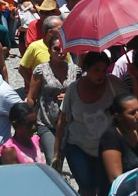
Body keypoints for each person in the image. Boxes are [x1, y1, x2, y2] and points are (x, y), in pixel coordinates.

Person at [55, 52, 129, 196]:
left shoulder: (115, 85)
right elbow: (62, 121)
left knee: (105, 189)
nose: (101, 74)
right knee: (87, 188)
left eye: (104, 70)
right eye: (96, 70)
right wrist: (57, 153)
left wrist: (133, 77)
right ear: (86, 69)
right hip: (78, 147)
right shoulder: (73, 89)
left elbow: (133, 105)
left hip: (107, 149)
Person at [26, 33, 80, 163]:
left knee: (71, 159)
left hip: (70, 123)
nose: (61, 52)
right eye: (56, 49)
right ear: (49, 50)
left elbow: (81, 95)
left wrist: (69, 97)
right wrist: (29, 121)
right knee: (53, 159)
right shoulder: (41, 70)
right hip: (46, 122)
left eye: (63, 48)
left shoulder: (75, 70)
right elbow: (31, 97)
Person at [100, 94, 138, 194]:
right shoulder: (111, 137)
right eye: (132, 113)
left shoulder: (136, 131)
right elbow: (116, 180)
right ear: (118, 116)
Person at [19, 16, 63, 88]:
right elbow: (22, 69)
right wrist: (33, 86)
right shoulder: (34, 47)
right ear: (50, 32)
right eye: (60, 29)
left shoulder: (63, 46)